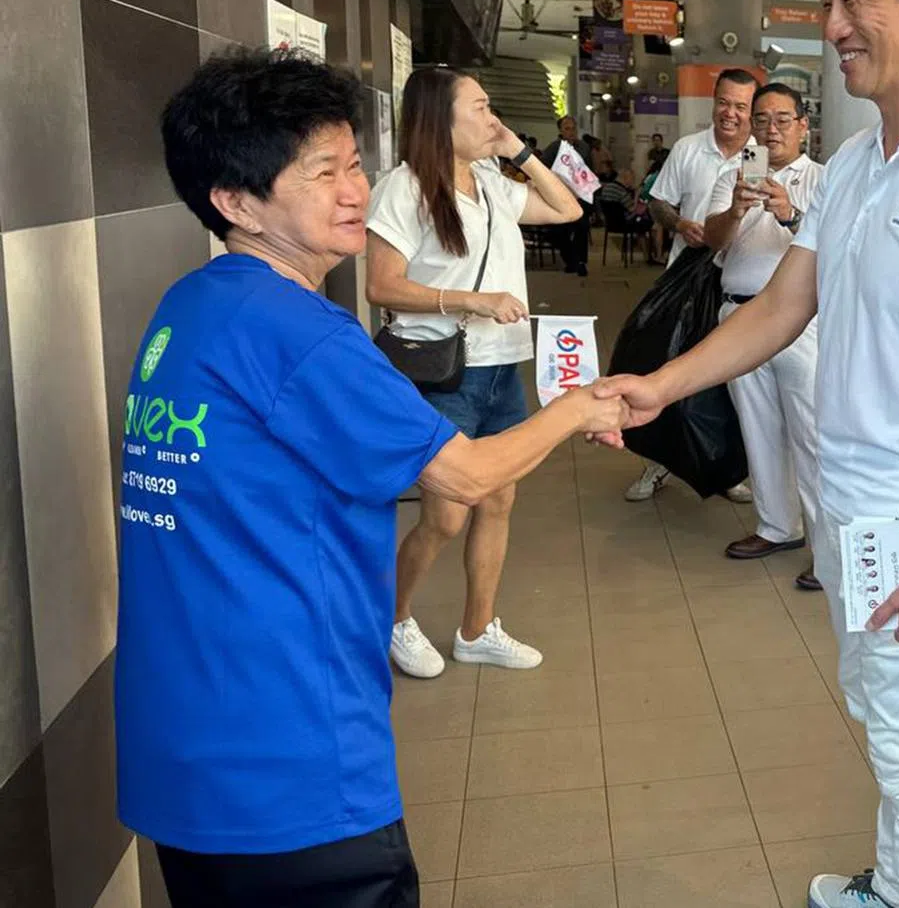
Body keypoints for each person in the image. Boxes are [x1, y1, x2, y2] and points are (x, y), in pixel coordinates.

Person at [598, 0, 899, 908]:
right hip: (848, 505)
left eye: (849, 0)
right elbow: (780, 308)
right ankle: (896, 883)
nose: (830, 26)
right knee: (889, 725)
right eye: (824, 0)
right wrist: (657, 386)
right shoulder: (852, 163)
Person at [116, 49, 626, 908]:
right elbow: (462, 476)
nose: (354, 190)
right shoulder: (302, 334)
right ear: (235, 201)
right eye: (323, 173)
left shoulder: (190, 307)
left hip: (183, 748)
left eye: (354, 163)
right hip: (292, 761)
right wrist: (581, 408)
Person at [366, 67, 584, 679]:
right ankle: (395, 617)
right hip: (446, 374)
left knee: (499, 500)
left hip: (500, 368)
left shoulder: (490, 182)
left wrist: (518, 150)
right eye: (482, 108)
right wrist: (470, 300)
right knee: (446, 513)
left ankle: (476, 628)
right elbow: (380, 285)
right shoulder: (403, 189)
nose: (493, 118)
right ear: (441, 120)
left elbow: (567, 209)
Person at [704, 83, 824, 592]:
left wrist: (789, 212)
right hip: (737, 318)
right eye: (761, 119)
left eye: (782, 119)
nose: (770, 129)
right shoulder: (730, 175)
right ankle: (777, 526)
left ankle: (829, 550)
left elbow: (838, 252)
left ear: (803, 126)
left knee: (813, 434)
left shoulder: (824, 179)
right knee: (758, 428)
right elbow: (710, 244)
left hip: (800, 322)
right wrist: (734, 209)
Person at [624, 68, 760, 503]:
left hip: (736, 282)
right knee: (671, 372)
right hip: (685, 281)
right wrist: (679, 223)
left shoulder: (761, 157)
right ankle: (658, 462)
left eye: (741, 106)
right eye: (724, 103)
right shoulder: (687, 149)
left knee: (730, 382)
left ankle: (727, 470)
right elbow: (657, 201)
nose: (731, 114)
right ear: (713, 103)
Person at [542, 114, 592, 276]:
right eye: (567, 129)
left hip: (581, 195)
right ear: (561, 131)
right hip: (561, 195)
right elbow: (543, 168)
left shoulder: (583, 147)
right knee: (559, 231)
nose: (571, 132)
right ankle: (571, 260)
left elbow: (590, 170)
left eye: (573, 128)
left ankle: (581, 262)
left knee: (581, 228)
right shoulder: (554, 148)